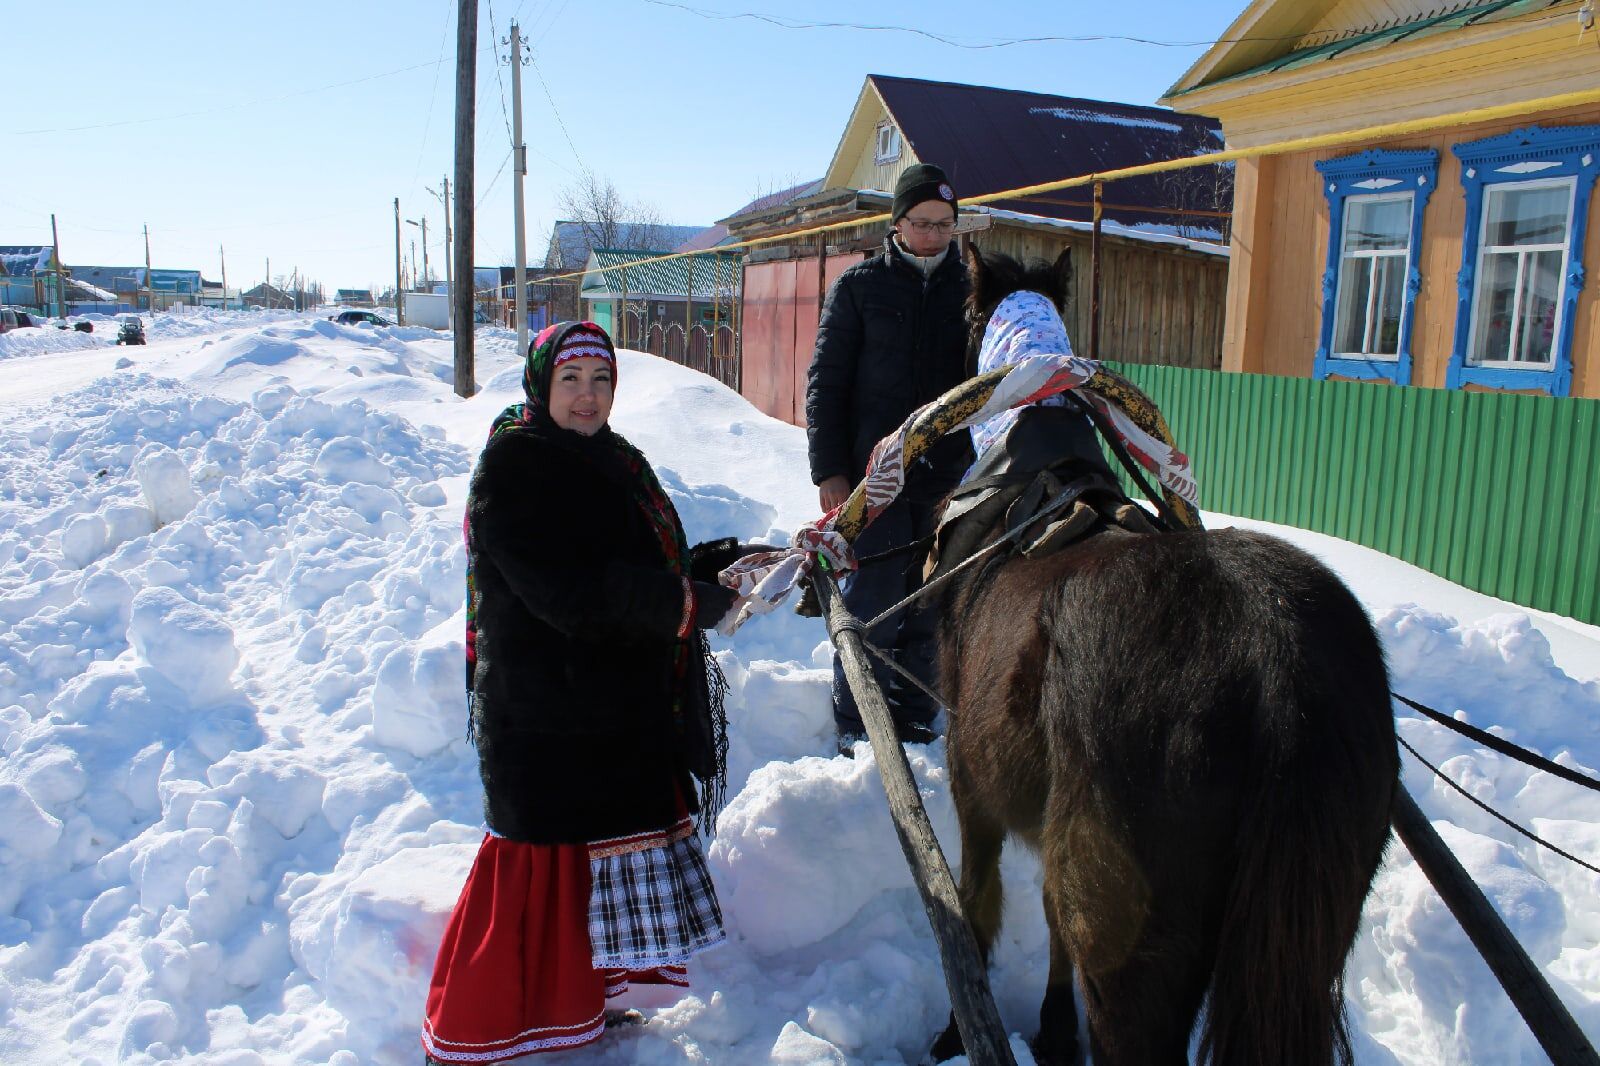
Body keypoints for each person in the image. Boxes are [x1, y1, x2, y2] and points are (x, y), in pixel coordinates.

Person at [422, 321, 747, 1063]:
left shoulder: (615, 460)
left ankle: (589, 1002)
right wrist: (682, 604)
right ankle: (488, 1024)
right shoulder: (516, 466)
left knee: (593, 865)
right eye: (571, 379)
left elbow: (633, 562)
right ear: (541, 384)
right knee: (544, 867)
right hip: (544, 713)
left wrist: (714, 571)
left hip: (605, 710)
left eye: (600, 380)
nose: (587, 396)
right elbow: (569, 591)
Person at [805, 162, 973, 752]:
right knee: (873, 598)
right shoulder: (859, 287)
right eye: (923, 223)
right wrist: (830, 470)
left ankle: (916, 716)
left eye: (945, 226)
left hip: (947, 476)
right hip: (872, 479)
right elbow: (826, 381)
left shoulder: (969, 292)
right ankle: (859, 724)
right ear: (898, 223)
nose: (934, 236)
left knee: (932, 599)